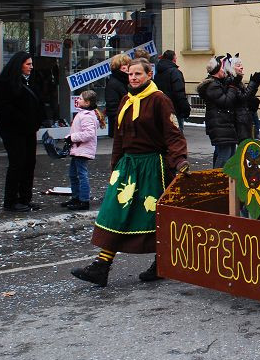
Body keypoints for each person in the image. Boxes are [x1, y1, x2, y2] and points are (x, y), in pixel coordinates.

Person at [71, 58, 188, 286]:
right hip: (128, 166)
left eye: (138, 74)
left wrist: (180, 160)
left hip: (153, 166)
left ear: (149, 74)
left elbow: (174, 134)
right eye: (130, 75)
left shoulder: (160, 100)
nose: (133, 78)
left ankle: (160, 263)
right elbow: (120, 138)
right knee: (114, 212)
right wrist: (115, 166)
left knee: (152, 217)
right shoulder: (126, 99)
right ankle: (101, 266)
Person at [0, 51, 45, 212]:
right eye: (28, 64)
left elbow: (38, 102)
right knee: (17, 163)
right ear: (19, 65)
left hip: (29, 129)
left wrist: (36, 121)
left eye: (31, 64)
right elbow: (3, 107)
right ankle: (11, 200)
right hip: (14, 130)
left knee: (29, 163)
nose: (31, 67)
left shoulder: (30, 81)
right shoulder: (6, 83)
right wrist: (23, 120)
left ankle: (25, 198)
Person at [63, 90, 105, 211]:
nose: (78, 100)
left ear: (87, 103)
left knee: (81, 175)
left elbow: (89, 134)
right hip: (78, 149)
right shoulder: (83, 114)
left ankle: (84, 200)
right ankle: (76, 197)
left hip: (83, 149)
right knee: (73, 174)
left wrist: (72, 138)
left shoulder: (86, 116)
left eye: (80, 99)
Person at [197, 54, 240, 169]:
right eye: (222, 67)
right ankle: (217, 180)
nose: (225, 69)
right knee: (224, 156)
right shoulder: (212, 85)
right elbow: (226, 101)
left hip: (224, 125)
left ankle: (225, 181)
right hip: (219, 125)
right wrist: (233, 86)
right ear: (216, 70)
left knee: (230, 154)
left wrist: (234, 78)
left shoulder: (219, 82)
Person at [225, 54, 260, 142]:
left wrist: (255, 84)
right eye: (238, 66)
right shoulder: (231, 81)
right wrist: (253, 83)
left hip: (244, 117)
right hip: (239, 120)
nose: (242, 67)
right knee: (243, 147)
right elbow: (243, 97)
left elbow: (247, 96)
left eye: (241, 65)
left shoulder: (238, 81)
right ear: (231, 68)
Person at [154, 50, 191, 131]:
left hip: (162, 109)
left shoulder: (158, 73)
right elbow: (179, 92)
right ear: (173, 59)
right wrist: (185, 109)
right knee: (177, 136)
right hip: (175, 110)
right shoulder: (175, 72)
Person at [104, 53, 132, 139]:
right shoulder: (115, 83)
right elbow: (112, 107)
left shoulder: (126, 81)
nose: (127, 68)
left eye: (128, 65)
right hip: (121, 125)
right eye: (125, 65)